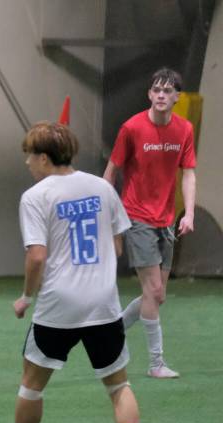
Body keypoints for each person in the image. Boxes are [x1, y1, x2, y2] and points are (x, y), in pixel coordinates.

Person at [0, 121, 143, 423]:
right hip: (103, 303)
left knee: (32, 384)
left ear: (44, 158)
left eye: (30, 155)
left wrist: (26, 297)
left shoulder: (35, 196)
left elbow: (37, 256)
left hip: (58, 304)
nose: (27, 162)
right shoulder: (102, 188)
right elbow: (117, 246)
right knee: (118, 385)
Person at [103, 67, 196, 379]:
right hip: (136, 216)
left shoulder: (184, 129)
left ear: (177, 97)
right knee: (153, 290)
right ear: (149, 94)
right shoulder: (131, 128)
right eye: (156, 90)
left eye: (167, 91)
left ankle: (111, 329)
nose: (161, 95)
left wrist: (189, 213)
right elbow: (111, 171)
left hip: (166, 219)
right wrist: (107, 212)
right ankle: (156, 364)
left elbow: (189, 173)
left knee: (158, 295)